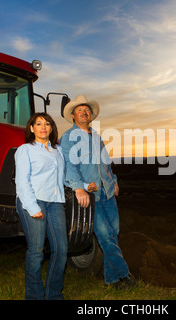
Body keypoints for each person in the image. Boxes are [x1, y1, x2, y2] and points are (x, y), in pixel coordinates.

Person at [59, 95, 136, 289]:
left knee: (113, 233)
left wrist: (114, 181)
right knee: (104, 235)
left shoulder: (96, 136)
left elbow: (105, 163)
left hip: (107, 192)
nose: (84, 112)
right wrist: (78, 187)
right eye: (80, 110)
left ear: (90, 114)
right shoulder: (68, 138)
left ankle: (111, 280)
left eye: (87, 109)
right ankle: (124, 274)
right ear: (73, 115)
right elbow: (69, 165)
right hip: (91, 196)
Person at [14, 112, 67, 300]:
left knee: (61, 250)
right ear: (32, 128)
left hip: (55, 203)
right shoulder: (25, 150)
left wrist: (83, 187)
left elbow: (64, 177)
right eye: (38, 123)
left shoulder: (58, 151)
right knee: (36, 251)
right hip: (33, 201)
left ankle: (53, 295)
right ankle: (34, 296)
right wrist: (32, 207)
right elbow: (21, 181)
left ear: (51, 128)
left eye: (47, 124)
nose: (43, 127)